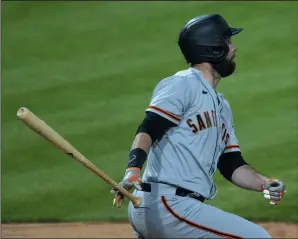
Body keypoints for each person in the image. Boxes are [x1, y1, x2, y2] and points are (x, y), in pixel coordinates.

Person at [111, 14, 286, 238]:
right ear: (212, 48)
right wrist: (133, 169)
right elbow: (149, 128)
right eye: (228, 42)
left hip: (167, 207)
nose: (234, 49)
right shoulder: (182, 84)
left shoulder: (221, 106)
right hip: (167, 204)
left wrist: (265, 183)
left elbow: (231, 164)